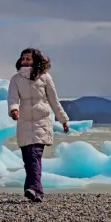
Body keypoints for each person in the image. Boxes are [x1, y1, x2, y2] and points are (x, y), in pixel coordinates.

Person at [8, 48, 70, 203]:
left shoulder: (45, 78)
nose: (25, 61)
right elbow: (13, 98)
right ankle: (34, 190)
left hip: (42, 121)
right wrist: (13, 110)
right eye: (23, 59)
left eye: (28, 59)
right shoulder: (15, 79)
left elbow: (54, 101)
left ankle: (34, 189)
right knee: (28, 157)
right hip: (24, 122)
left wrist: (63, 119)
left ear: (35, 60)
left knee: (35, 155)